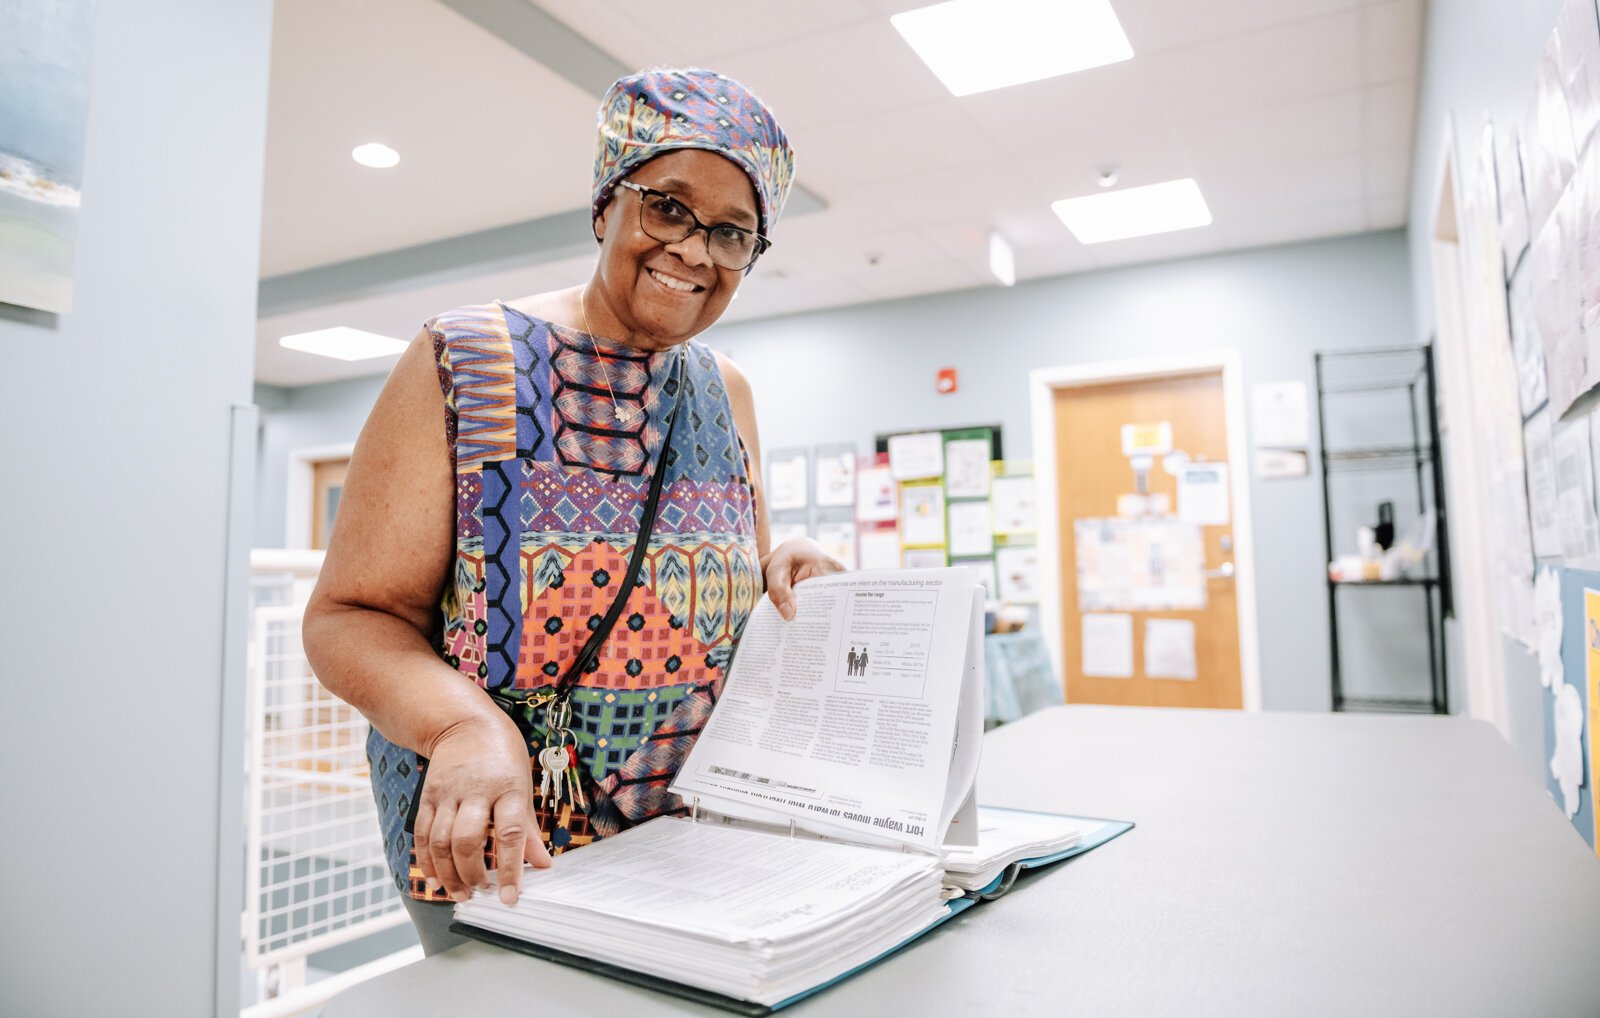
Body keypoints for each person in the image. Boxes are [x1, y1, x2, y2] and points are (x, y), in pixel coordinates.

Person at [302, 68, 844, 954]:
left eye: (732, 232)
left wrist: (785, 562)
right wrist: (461, 723)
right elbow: (346, 619)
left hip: (696, 852)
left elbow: (717, 593)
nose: (695, 250)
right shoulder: (464, 360)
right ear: (606, 205)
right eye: (667, 206)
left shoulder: (727, 390)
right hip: (504, 859)